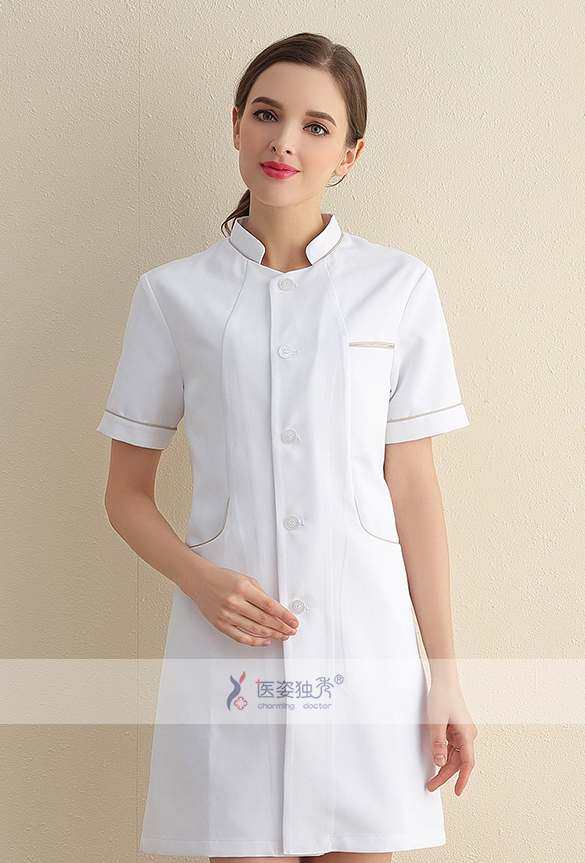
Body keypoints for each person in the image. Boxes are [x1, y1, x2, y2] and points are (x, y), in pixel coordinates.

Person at [97, 31, 478, 863]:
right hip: (229, 644)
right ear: (236, 124)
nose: (284, 142)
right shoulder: (172, 295)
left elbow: (412, 489)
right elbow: (124, 493)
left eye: (316, 126)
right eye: (267, 115)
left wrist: (443, 674)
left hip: (366, 648)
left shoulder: (398, 287)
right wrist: (199, 578)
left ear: (349, 154)